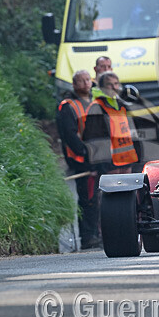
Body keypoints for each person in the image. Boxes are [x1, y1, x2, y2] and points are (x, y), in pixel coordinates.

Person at [55, 70, 100, 249]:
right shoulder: (68, 106)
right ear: (74, 85)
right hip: (83, 160)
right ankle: (88, 237)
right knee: (88, 198)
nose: (86, 83)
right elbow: (69, 135)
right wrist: (86, 154)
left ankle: (98, 234)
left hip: (100, 158)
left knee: (99, 197)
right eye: (81, 81)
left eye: (88, 79)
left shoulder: (97, 102)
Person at [82, 71, 140, 175]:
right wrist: (95, 165)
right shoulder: (96, 107)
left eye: (116, 83)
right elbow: (92, 138)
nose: (114, 87)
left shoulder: (121, 105)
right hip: (109, 164)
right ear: (102, 87)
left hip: (127, 160)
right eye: (109, 84)